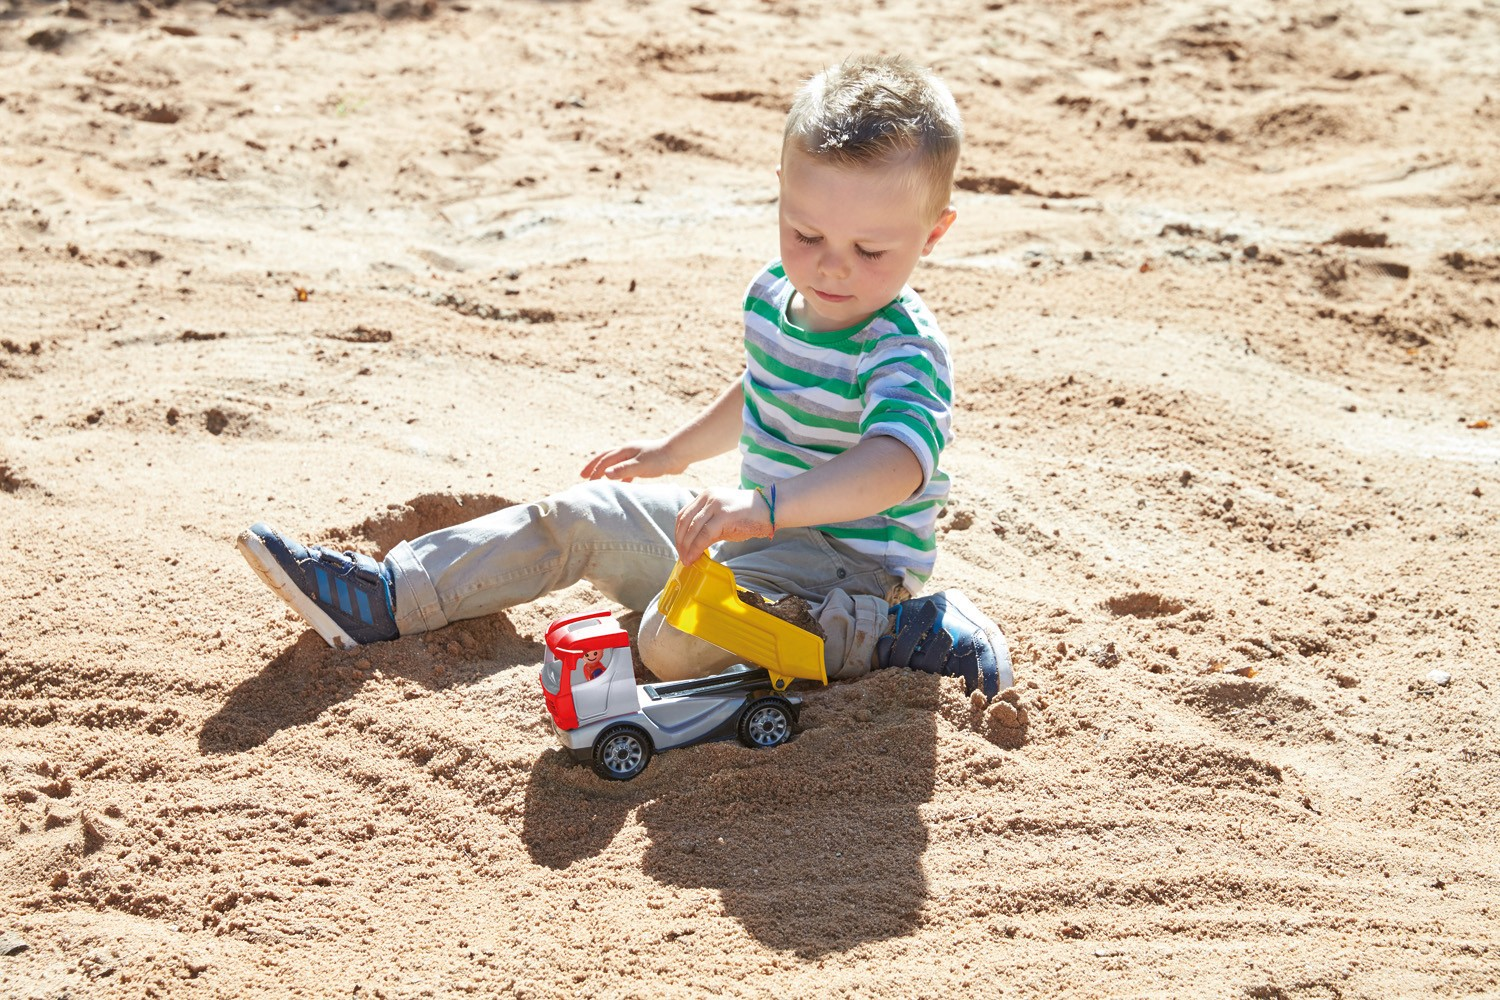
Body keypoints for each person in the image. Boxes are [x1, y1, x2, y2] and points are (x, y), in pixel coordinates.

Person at [237, 54, 1014, 699]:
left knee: (668, 642)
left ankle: (894, 637)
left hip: (850, 569)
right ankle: (393, 594)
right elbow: (768, 391)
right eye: (806, 231)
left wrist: (768, 505)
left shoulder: (902, 346)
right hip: (754, 533)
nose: (830, 265)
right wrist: (672, 454)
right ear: (780, 190)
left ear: (933, 234)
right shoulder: (778, 294)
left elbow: (893, 465)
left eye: (870, 250)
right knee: (584, 513)